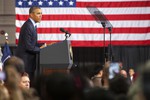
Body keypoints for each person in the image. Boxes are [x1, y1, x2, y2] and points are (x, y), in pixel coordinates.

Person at [15, 6, 46, 82]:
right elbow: (28, 46)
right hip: (25, 63)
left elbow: (33, 43)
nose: (41, 15)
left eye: (41, 13)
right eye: (38, 13)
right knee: (25, 83)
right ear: (31, 15)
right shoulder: (28, 26)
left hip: (29, 62)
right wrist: (41, 49)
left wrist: (45, 45)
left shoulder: (32, 25)